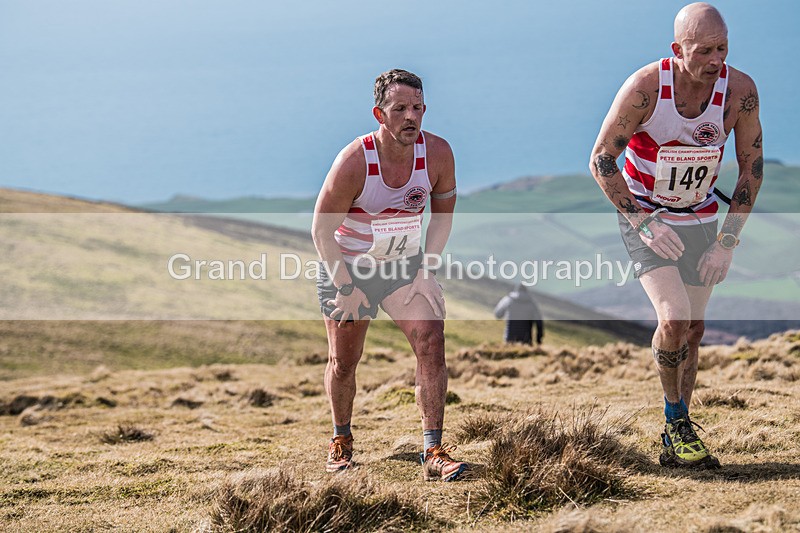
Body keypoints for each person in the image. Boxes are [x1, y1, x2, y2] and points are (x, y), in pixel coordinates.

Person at [589, 2, 762, 468]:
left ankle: (678, 435)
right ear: (677, 49)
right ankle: (675, 420)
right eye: (704, 50)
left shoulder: (739, 90)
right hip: (646, 218)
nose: (715, 59)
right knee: (673, 319)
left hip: (702, 219)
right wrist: (643, 222)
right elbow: (602, 161)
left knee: (695, 330)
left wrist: (727, 242)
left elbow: (752, 168)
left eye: (722, 48)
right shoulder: (646, 88)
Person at [311, 69, 467, 481]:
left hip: (402, 267)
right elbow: (321, 230)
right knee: (344, 360)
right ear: (380, 114)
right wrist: (344, 287)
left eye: (417, 108)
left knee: (431, 339)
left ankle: (432, 449)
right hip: (349, 269)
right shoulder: (355, 161)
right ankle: (341, 438)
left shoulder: (437, 154)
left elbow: (441, 219)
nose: (410, 117)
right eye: (399, 109)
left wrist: (428, 271)